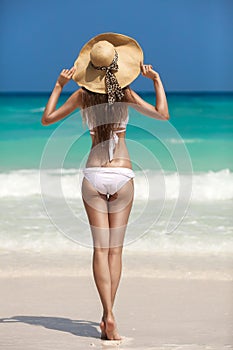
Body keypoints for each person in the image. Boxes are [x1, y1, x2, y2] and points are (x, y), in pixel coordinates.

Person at [41, 32, 169, 341]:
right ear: (117, 66)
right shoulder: (125, 94)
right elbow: (163, 115)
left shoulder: (83, 96)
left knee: (99, 249)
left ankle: (108, 313)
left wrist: (59, 86)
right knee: (115, 250)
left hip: (94, 175)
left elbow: (47, 119)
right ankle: (109, 316)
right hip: (122, 175)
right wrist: (156, 81)